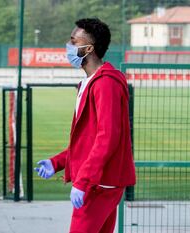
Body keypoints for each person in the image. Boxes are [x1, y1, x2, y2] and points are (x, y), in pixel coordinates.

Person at [35, 18, 136, 233]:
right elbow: (88, 141)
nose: (68, 47)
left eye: (73, 41)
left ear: (88, 48)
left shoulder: (105, 83)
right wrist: (57, 162)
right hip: (100, 182)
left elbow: (107, 138)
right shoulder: (89, 83)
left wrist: (84, 181)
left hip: (99, 184)